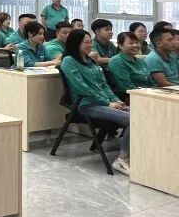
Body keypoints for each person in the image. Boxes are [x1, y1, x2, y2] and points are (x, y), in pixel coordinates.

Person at [59, 29, 130, 175]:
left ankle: (138, 154)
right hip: (87, 105)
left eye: (90, 42)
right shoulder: (68, 61)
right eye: (86, 42)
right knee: (132, 120)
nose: (90, 45)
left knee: (143, 115)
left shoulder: (90, 61)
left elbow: (104, 85)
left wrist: (115, 100)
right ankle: (122, 159)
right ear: (75, 43)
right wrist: (107, 103)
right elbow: (82, 88)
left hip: (103, 102)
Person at [109, 31, 155, 96]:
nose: (135, 45)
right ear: (120, 46)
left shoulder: (141, 61)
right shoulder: (116, 61)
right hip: (129, 96)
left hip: (147, 93)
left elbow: (151, 81)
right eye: (131, 43)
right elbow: (126, 86)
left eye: (137, 43)